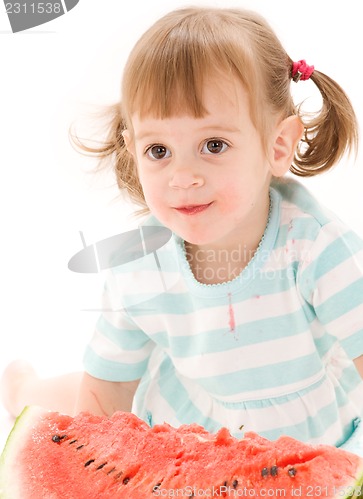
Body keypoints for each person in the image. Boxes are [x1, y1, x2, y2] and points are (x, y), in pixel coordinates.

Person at [2, 6, 363, 452]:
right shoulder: (139, 264)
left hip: (316, 436)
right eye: (159, 150)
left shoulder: (317, 248)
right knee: (68, 403)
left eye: (213, 145)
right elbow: (108, 388)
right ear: (132, 149)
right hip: (184, 421)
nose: (183, 176)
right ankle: (23, 391)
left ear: (278, 144)